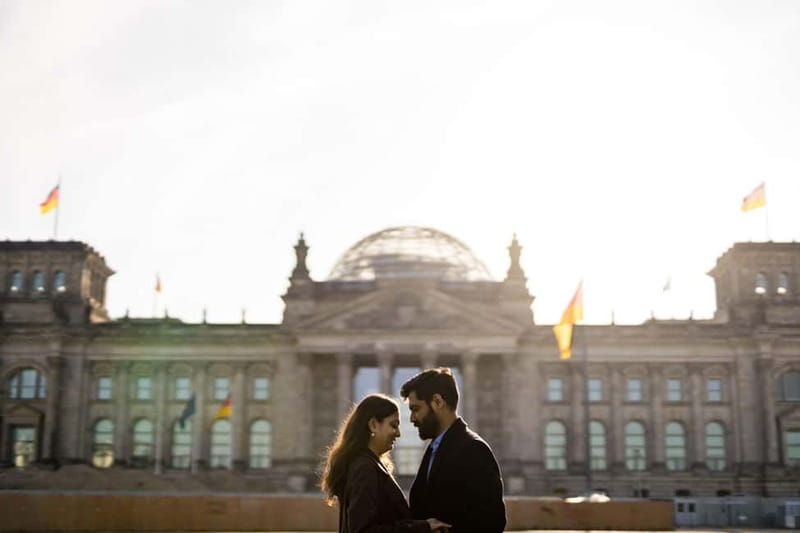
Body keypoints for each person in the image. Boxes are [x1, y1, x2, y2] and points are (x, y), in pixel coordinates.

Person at [321, 393, 451, 533]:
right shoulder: (364, 468)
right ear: (373, 425)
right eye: (393, 425)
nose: (398, 433)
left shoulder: (366, 464)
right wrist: (423, 527)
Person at [400, 368, 506, 533]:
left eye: (416, 409)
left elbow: (492, 521)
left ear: (437, 402)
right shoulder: (434, 449)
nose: (412, 418)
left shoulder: (474, 449)